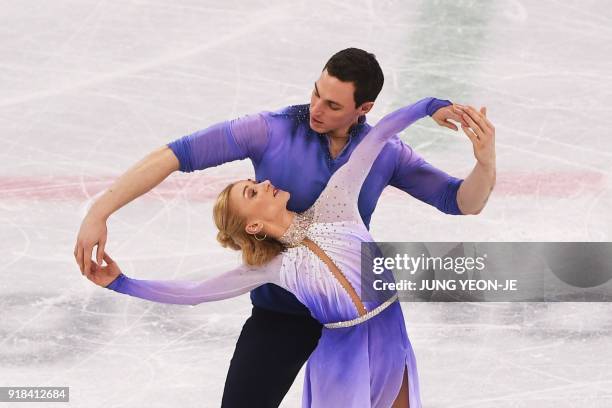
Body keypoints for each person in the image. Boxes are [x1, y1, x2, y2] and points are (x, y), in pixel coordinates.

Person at [74, 48, 496, 407]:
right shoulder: (270, 130)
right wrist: (101, 212)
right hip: (281, 316)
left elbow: (462, 201)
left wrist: (483, 160)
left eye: (333, 105)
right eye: (316, 92)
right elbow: (176, 154)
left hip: (372, 323)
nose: (316, 108)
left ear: (362, 109)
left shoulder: (374, 164)